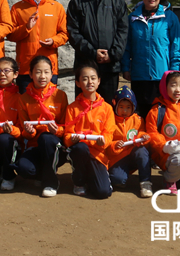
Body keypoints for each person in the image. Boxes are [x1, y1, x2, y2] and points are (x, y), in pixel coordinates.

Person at [67, 0, 129, 104]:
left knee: (107, 107)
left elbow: (123, 31)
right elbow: (73, 33)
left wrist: (113, 54)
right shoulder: (76, 2)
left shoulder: (117, 2)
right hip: (85, 65)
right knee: (83, 107)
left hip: (110, 67)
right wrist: (93, 53)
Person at [121, 0, 180, 117]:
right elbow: (126, 46)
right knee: (141, 115)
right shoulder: (132, 18)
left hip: (162, 76)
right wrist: (126, 68)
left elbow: (177, 46)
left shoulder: (169, 17)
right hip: (139, 76)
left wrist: (174, 70)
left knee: (161, 115)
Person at [13, 56, 69, 196]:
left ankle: (51, 182)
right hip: (35, 146)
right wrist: (29, 132)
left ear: (52, 74)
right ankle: (43, 173)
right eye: (38, 72)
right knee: (23, 168)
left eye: (46, 72)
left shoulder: (60, 96)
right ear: (31, 74)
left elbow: (65, 126)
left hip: (55, 146)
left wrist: (57, 130)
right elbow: (24, 131)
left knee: (46, 138)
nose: (42, 76)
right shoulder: (24, 99)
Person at [8, 0, 68, 94]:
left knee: (49, 108)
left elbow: (65, 33)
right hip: (25, 68)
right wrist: (26, 28)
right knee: (26, 108)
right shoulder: (18, 8)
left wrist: (53, 41)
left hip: (49, 69)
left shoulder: (56, 7)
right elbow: (10, 35)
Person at [63, 61, 115, 199]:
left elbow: (109, 134)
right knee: (80, 148)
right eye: (84, 79)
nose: (89, 82)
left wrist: (102, 142)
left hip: (98, 153)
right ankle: (78, 181)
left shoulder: (107, 108)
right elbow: (67, 133)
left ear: (99, 81)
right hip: (80, 150)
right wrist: (71, 140)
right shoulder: (72, 108)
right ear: (78, 83)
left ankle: (90, 178)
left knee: (103, 192)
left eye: (93, 78)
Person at [106, 86, 153, 198]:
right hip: (118, 157)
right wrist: (114, 145)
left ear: (134, 107)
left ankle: (145, 183)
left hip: (133, 153)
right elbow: (107, 140)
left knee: (142, 151)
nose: (125, 111)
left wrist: (143, 137)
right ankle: (121, 175)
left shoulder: (138, 120)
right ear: (115, 105)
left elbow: (142, 132)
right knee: (118, 180)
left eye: (128, 107)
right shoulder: (110, 119)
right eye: (121, 107)